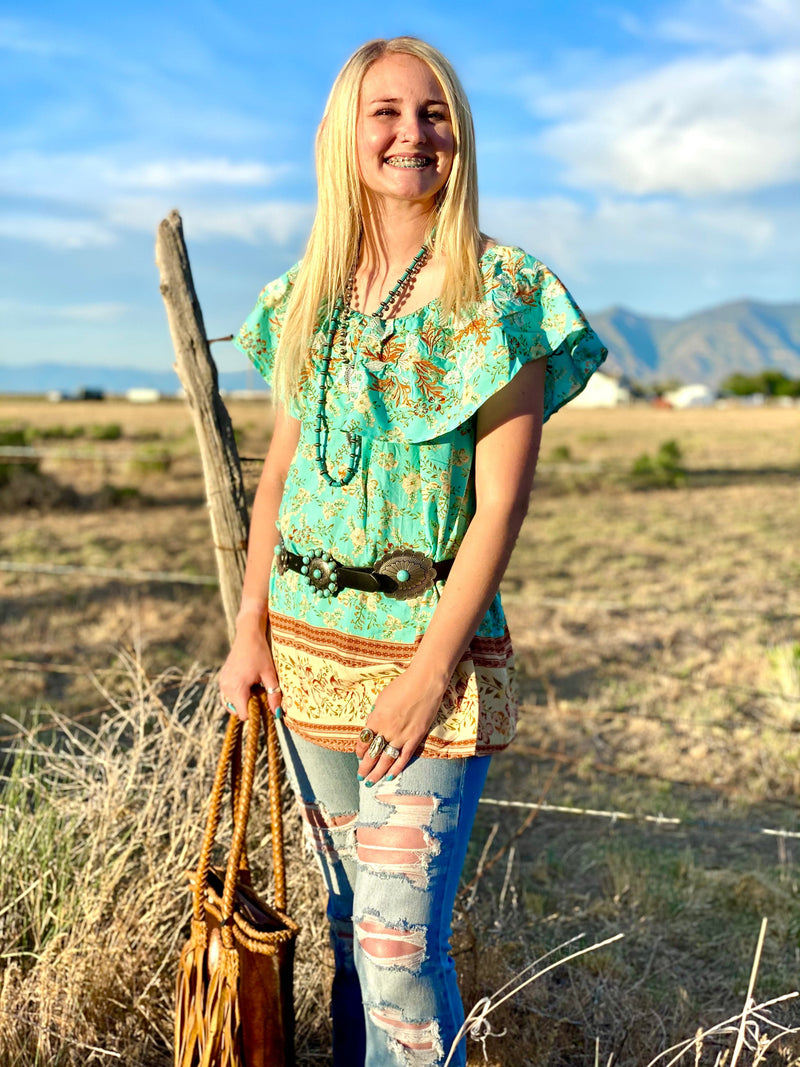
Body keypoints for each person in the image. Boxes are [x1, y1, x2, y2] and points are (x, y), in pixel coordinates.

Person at [219, 35, 606, 1067]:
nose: (410, 133)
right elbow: (280, 486)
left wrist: (425, 674)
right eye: (384, 112)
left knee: (397, 951)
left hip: (420, 665)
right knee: (352, 941)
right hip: (303, 652)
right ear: (346, 135)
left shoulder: (503, 291)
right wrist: (246, 630)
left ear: (459, 134)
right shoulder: (313, 291)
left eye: (432, 113)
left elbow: (498, 508)